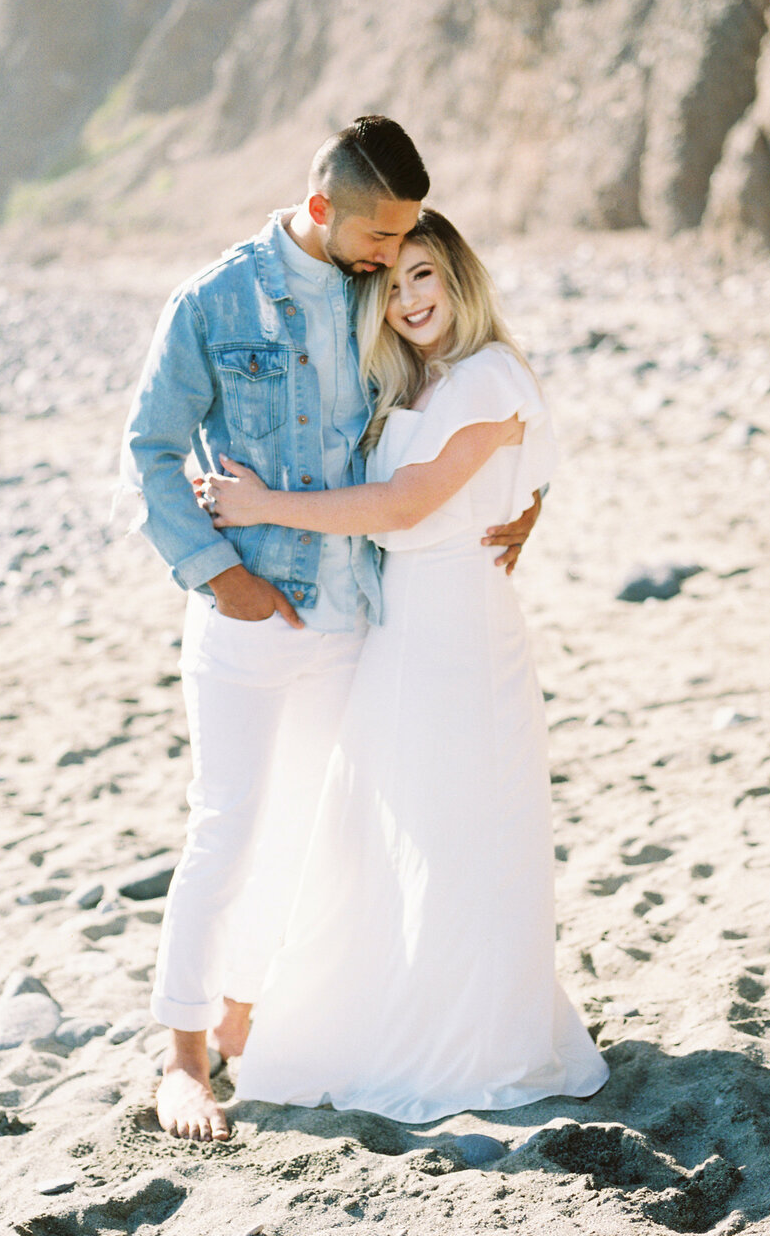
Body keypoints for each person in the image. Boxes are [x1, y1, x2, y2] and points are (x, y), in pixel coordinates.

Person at [119, 120, 541, 1142]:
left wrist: (522, 497)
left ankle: (247, 1026)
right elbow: (149, 445)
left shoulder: (375, 289)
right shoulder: (214, 301)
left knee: (313, 844)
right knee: (226, 830)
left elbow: (455, 407)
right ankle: (180, 1060)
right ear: (322, 210)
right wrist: (222, 576)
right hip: (250, 619)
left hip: (361, 621)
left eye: (406, 242)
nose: (396, 258)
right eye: (382, 236)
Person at [205, 209, 609, 1122]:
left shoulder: (490, 374)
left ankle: (477, 1039)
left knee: (467, 836)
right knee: (390, 838)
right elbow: (501, 477)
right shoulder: (417, 385)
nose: (409, 300)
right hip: (402, 631)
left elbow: (403, 503)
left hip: (462, 631)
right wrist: (526, 504)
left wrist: (262, 506)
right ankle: (384, 1016)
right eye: (390, 288)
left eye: (423, 276)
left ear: (458, 277)